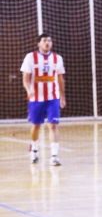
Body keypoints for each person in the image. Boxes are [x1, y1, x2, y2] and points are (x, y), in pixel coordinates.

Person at [20, 33, 66, 166]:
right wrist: (29, 90)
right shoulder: (30, 57)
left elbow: (60, 79)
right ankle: (34, 149)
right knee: (36, 126)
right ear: (38, 43)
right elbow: (26, 78)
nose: (47, 43)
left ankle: (54, 156)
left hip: (53, 97)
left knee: (53, 125)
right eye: (45, 40)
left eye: (50, 41)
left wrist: (62, 96)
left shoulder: (57, 58)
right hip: (36, 98)